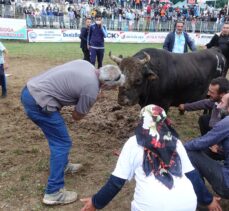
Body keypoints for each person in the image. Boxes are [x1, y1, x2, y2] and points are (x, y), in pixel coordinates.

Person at [21, 60, 125, 205]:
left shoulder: (87, 65)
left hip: (30, 90)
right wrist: (92, 99)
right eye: (113, 88)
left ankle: (63, 165)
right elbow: (76, 117)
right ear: (106, 84)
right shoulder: (91, 90)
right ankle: (53, 192)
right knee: (62, 143)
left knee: (59, 139)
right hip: (39, 102)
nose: (113, 91)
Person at [81, 104, 221, 211]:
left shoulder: (133, 143)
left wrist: (95, 203)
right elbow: (192, 175)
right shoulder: (176, 142)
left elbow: (116, 182)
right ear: (165, 121)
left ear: (142, 121)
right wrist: (208, 200)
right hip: (187, 205)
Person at [185, 93, 229, 202]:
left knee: (190, 153)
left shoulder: (227, 123)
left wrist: (180, 148)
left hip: (227, 185)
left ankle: (204, 200)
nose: (218, 106)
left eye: (222, 103)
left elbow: (200, 143)